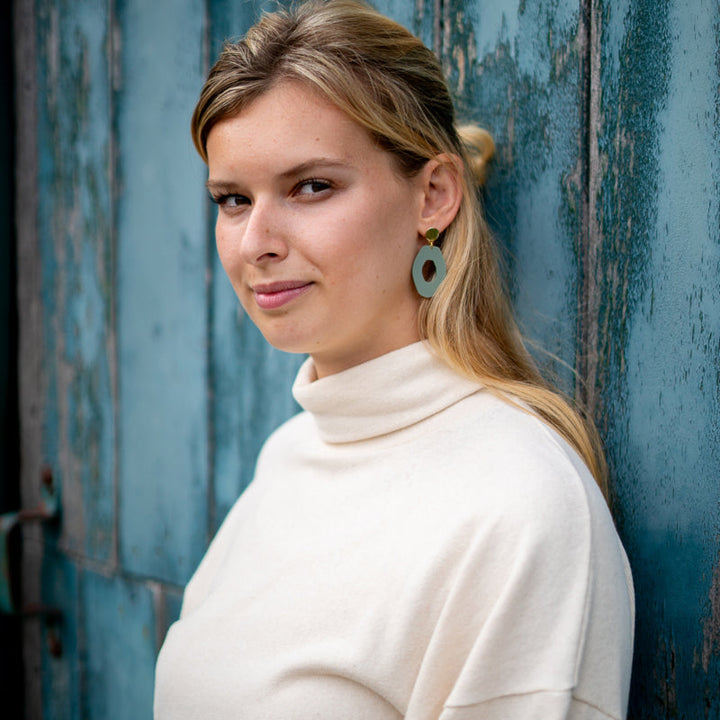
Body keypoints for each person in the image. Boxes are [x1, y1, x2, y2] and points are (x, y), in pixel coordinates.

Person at [153, 1, 634, 718]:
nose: (256, 241)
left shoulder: (521, 509)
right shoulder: (291, 455)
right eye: (232, 199)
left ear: (433, 195)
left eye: (311, 186)